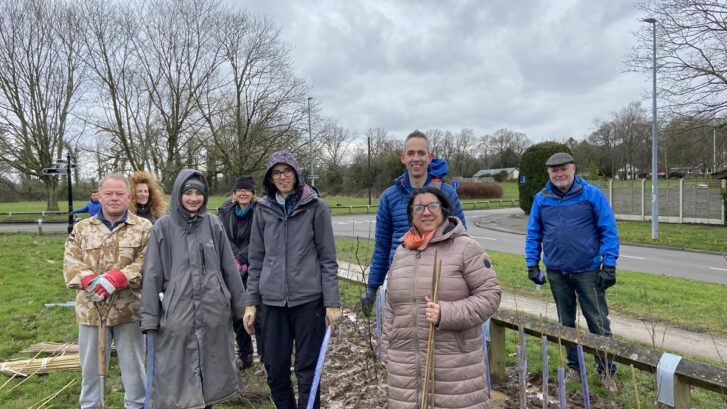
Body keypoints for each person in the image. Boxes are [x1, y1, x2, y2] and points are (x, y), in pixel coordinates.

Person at [381, 187, 501, 409]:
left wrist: (446, 313)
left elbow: (490, 295)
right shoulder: (402, 252)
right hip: (404, 365)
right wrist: (387, 345)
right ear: (410, 215)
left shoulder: (466, 248)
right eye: (419, 207)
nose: (426, 212)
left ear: (444, 210)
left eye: (432, 206)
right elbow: (392, 304)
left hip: (454, 365)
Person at [140, 169, 246, 408]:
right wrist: (149, 318)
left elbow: (229, 267)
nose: (193, 198)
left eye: (199, 193)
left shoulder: (213, 224)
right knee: (180, 377)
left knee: (210, 374)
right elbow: (152, 275)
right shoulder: (163, 228)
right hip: (179, 314)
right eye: (188, 193)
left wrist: (242, 307)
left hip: (213, 313)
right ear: (179, 194)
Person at [243, 150, 341, 409]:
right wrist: (251, 302)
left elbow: (327, 258)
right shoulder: (262, 210)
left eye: (287, 171)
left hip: (308, 301)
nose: (282, 176)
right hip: (272, 303)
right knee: (275, 370)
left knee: (308, 371)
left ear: (297, 174)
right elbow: (256, 260)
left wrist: (332, 302)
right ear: (270, 178)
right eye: (277, 172)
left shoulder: (316, 208)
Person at [524, 152, 620, 393]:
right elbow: (534, 232)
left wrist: (609, 265)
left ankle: (606, 371)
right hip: (557, 272)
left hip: (588, 271)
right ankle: (574, 367)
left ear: (573, 168)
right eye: (554, 170)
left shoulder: (591, 195)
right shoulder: (541, 198)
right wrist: (532, 263)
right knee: (566, 324)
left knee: (597, 322)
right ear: (549, 173)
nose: (559, 174)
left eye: (563, 169)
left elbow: (608, 229)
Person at [63, 175, 152, 409]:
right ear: (99, 196)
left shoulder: (144, 228)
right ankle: (92, 405)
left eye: (119, 194)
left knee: (134, 368)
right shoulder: (82, 229)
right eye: (108, 194)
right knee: (91, 369)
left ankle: (136, 405)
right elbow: (71, 262)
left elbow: (148, 262)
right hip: (92, 312)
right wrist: (90, 280)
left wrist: (120, 277)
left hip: (129, 311)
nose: (114, 198)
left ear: (129, 197)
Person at [361, 130, 466, 313]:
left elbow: (463, 242)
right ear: (403, 158)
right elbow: (382, 246)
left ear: (430, 157)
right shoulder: (389, 197)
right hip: (399, 281)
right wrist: (372, 286)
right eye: (410, 153)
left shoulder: (447, 194)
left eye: (421, 153)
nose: (415, 158)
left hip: (437, 282)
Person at [217, 175, 261, 369]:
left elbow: (259, 238)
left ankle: (266, 356)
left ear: (252, 194)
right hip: (233, 269)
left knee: (256, 312)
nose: (243, 193)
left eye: (247, 190)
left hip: (254, 268)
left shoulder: (260, 212)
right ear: (234, 194)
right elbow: (224, 236)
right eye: (239, 190)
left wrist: (242, 257)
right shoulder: (227, 213)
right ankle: (245, 355)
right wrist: (233, 257)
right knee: (238, 312)